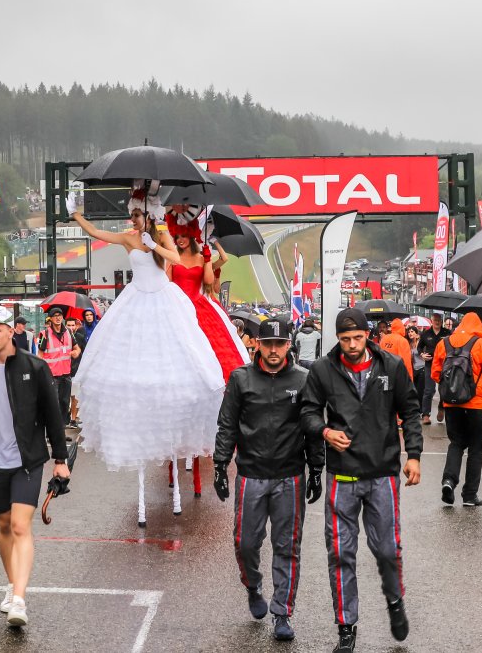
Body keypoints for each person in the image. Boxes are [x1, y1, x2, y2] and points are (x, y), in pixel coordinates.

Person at [69, 197, 225, 477]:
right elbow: (96, 233)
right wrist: (76, 215)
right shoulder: (128, 238)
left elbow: (175, 259)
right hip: (136, 297)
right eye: (132, 215)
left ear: (148, 216)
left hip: (163, 297)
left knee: (180, 349)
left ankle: (176, 408)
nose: (133, 219)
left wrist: (154, 245)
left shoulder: (161, 234)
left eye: (137, 215)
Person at [300, 308, 423, 653]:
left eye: (357, 338)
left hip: (383, 473)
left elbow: (411, 410)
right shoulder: (323, 369)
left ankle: (395, 600)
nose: (352, 345)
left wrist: (413, 455)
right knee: (341, 552)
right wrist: (325, 431)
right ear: (337, 338)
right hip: (342, 474)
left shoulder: (391, 366)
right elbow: (307, 411)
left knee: (387, 549)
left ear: (368, 335)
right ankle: (346, 626)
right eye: (345, 339)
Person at [0, 304, 70, 628]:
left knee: (21, 526)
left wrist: (60, 460)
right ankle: (11, 584)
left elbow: (53, 415)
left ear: (11, 331)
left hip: (27, 460)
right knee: (5, 524)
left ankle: (19, 598)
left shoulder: (34, 367)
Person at [214, 320, 323, 642]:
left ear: (289, 344)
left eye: (279, 343)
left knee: (287, 546)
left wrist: (317, 467)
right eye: (267, 343)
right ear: (257, 345)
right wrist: (220, 465)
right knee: (245, 543)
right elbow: (227, 424)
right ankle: (253, 585)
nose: (273, 350)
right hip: (252, 474)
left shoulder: (304, 379)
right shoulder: (241, 379)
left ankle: (282, 612)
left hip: (290, 476)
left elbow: (313, 425)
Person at [167, 208, 249, 381]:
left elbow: (209, 281)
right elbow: (167, 283)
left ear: (191, 235)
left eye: (184, 236)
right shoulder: (172, 257)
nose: (180, 240)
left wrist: (206, 260)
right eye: (177, 236)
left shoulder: (200, 257)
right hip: (177, 307)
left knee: (208, 347)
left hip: (199, 307)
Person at [432, 312, 482, 506]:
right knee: (476, 447)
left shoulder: (443, 343)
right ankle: (470, 494)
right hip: (476, 404)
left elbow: (435, 373)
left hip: (451, 403)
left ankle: (448, 480)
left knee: (456, 443)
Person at [36, 307, 80, 427]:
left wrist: (76, 352)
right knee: (53, 404)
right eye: (55, 316)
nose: (58, 318)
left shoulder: (69, 332)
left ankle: (61, 430)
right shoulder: (44, 334)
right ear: (50, 319)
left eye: (59, 315)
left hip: (66, 375)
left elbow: (77, 348)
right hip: (52, 376)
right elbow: (40, 355)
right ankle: (52, 430)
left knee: (64, 403)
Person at [417, 312, 451, 424]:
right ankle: (426, 415)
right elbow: (419, 347)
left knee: (444, 389)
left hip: (444, 364)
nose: (437, 322)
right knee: (429, 390)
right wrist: (422, 354)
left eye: (439, 320)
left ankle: (442, 407)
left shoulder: (447, 333)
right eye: (435, 320)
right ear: (431, 321)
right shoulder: (425, 334)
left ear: (441, 321)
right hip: (430, 364)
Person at [66, 316, 87, 428]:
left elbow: (85, 352)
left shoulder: (80, 337)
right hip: (63, 371)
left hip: (76, 370)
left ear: (76, 326)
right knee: (65, 397)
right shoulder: (61, 337)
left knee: (75, 396)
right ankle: (66, 416)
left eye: (73, 325)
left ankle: (73, 419)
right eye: (68, 325)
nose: (71, 327)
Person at [407, 325, 426, 410]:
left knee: (420, 390)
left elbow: (424, 354)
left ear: (417, 334)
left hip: (422, 368)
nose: (410, 333)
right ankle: (416, 407)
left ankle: (420, 408)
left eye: (412, 331)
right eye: (409, 332)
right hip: (414, 369)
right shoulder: (408, 344)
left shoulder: (420, 343)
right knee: (414, 390)